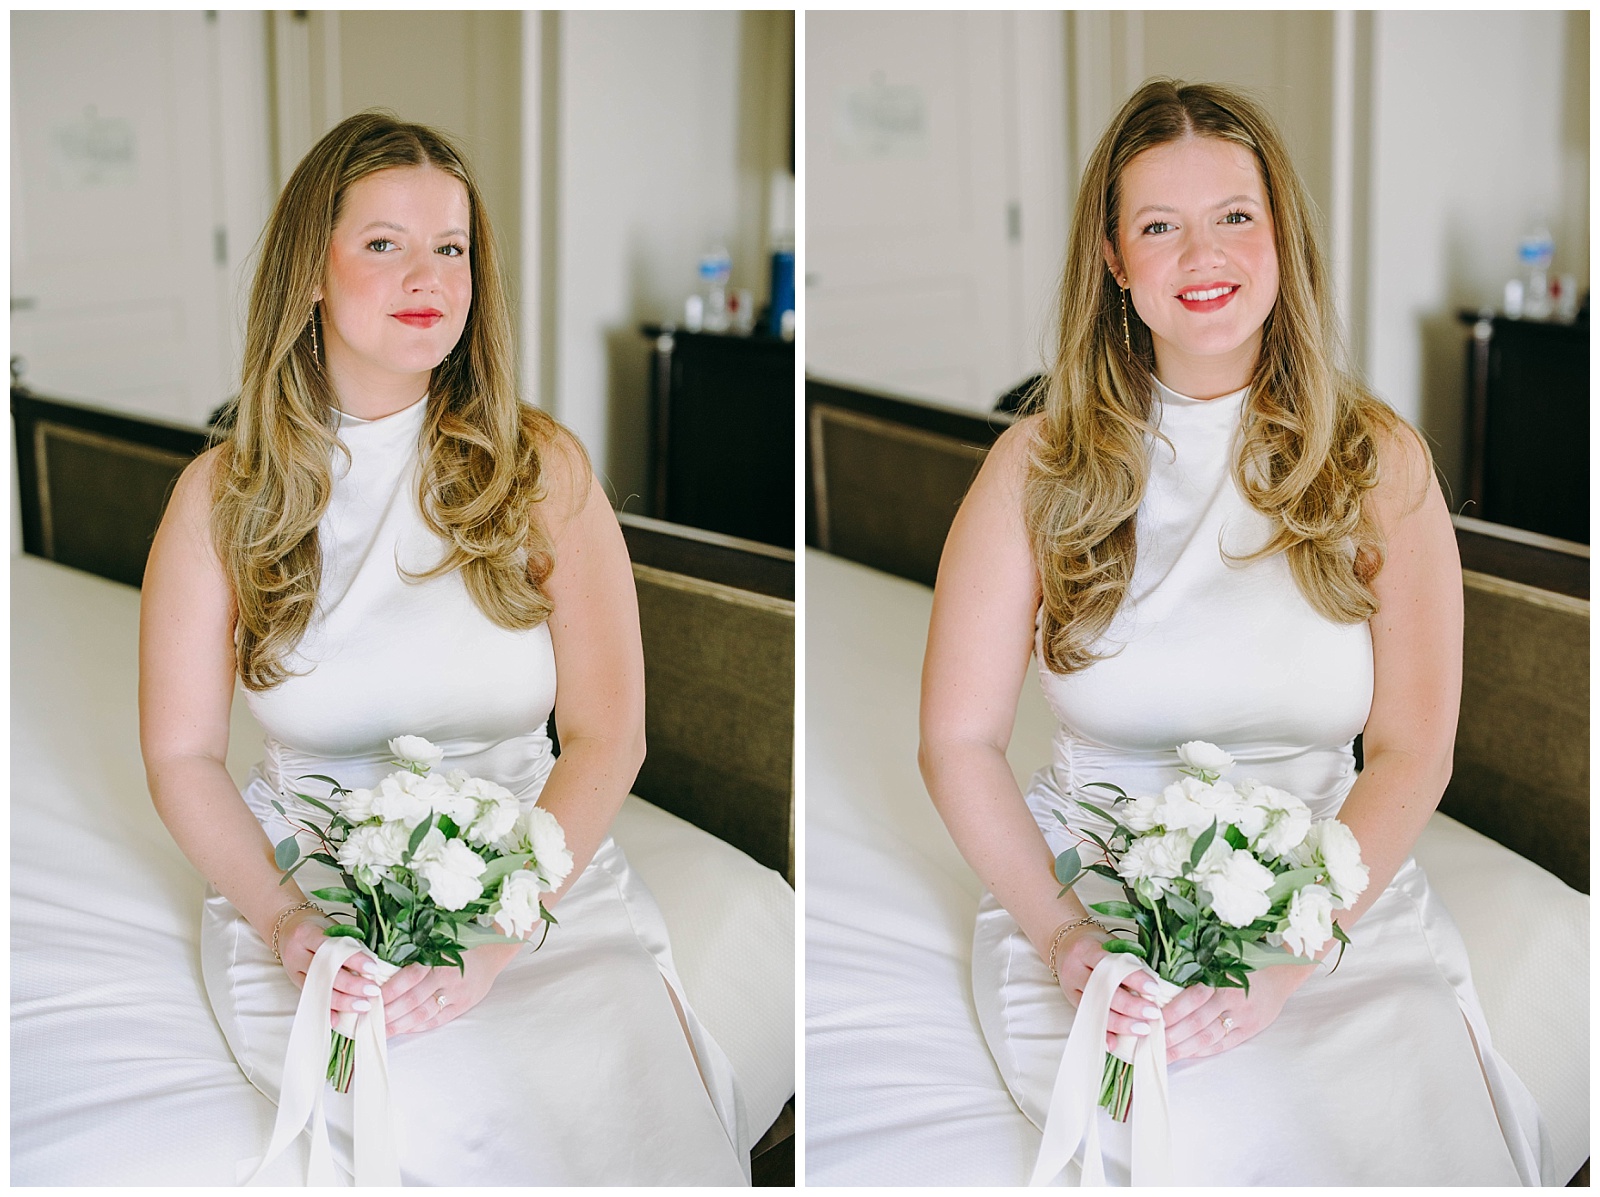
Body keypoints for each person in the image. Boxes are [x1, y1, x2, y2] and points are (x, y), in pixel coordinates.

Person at [918, 79, 1552, 1185]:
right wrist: (1069, 940)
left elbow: (1411, 748)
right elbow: (957, 741)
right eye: (1158, 226)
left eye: (1233, 217)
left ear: (1279, 237)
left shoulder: (1375, 461)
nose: (1199, 254)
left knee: (1401, 1145)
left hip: (1327, 890)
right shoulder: (1038, 468)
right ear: (1114, 260)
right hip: (1101, 899)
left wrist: (1285, 964)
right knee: (1185, 1145)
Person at [139, 111, 749, 1185]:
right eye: (384, 243)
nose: (428, 274)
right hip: (320, 886)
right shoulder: (222, 496)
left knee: (631, 1126)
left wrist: (499, 935)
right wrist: (289, 923)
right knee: (430, 1117)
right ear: (310, 275)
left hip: (533, 876)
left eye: (452, 247)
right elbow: (183, 755)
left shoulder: (541, 471)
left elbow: (608, 737)